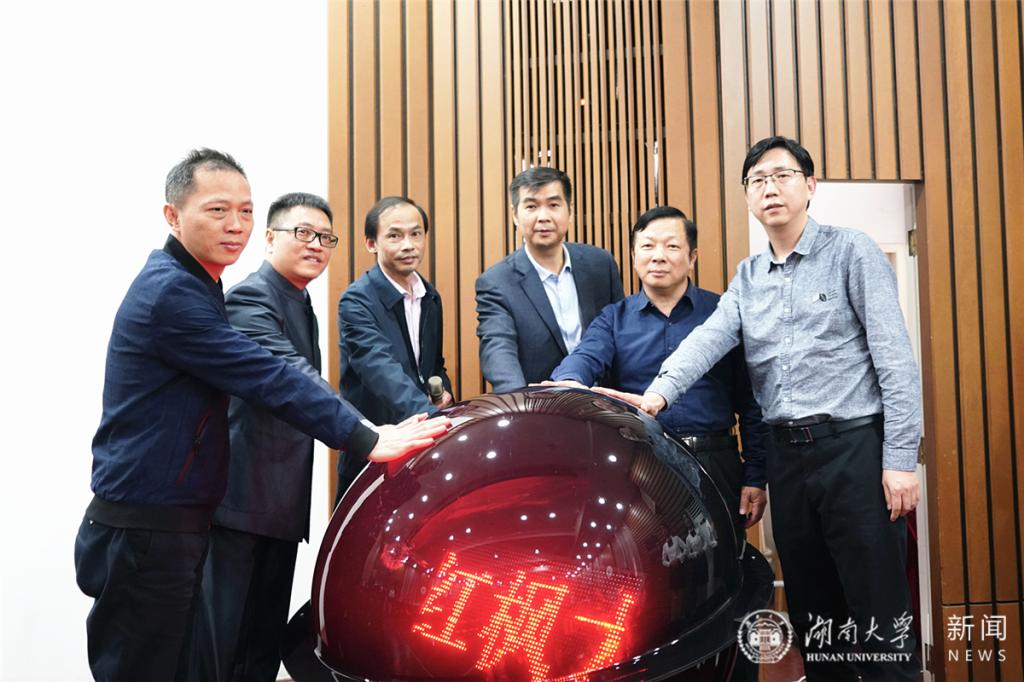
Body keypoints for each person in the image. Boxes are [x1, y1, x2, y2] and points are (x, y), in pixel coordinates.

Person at [74, 150, 448, 682]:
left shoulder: (203, 284)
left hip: (178, 519)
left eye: (245, 211)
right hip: (149, 524)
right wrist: (364, 436)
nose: (236, 225)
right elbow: (269, 374)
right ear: (173, 216)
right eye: (218, 210)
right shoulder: (174, 293)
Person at [596, 137, 921, 681]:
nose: (770, 188)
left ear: (809, 186)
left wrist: (901, 459)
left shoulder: (851, 252)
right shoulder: (747, 278)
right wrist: (657, 394)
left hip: (854, 452)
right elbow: (706, 341)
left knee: (879, 613)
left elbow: (895, 360)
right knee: (816, 616)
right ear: (747, 196)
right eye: (757, 180)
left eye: (782, 175)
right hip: (788, 461)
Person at [190, 192, 344, 680]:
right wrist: (365, 431)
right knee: (222, 650)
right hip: (240, 502)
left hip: (279, 504)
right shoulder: (252, 297)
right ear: (271, 237)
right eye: (304, 233)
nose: (316, 244)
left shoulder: (301, 301)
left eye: (325, 237)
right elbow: (295, 376)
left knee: (261, 646)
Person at [547, 206, 769, 541]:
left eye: (672, 246)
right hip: (642, 463)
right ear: (633, 256)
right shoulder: (614, 319)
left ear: (692, 257)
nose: (658, 256)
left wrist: (755, 476)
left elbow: (752, 402)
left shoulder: (721, 314)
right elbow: (586, 357)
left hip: (714, 460)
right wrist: (568, 382)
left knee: (724, 560)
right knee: (646, 561)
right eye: (648, 246)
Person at [337, 196, 453, 498]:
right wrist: (434, 420)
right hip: (376, 448)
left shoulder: (430, 296)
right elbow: (379, 368)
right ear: (371, 243)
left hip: (421, 448)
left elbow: (432, 365)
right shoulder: (357, 300)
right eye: (395, 236)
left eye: (416, 234)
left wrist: (442, 392)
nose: (408, 245)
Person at [475, 166, 624, 392]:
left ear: (570, 210)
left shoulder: (600, 265)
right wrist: (518, 401)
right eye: (531, 206)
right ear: (515, 215)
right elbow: (498, 351)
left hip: (603, 402)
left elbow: (620, 335)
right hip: (539, 406)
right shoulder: (497, 282)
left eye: (553, 205)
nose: (543, 217)